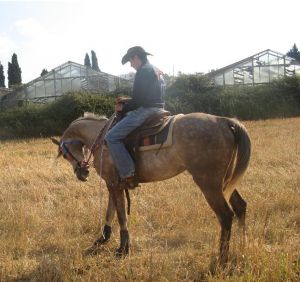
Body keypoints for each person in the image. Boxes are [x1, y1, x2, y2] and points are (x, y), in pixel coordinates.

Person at [105, 46, 166, 189]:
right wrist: (128, 101)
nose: (131, 65)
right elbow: (147, 96)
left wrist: (123, 107)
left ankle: (128, 173)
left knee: (111, 137)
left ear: (136, 57)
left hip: (147, 110)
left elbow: (139, 101)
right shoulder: (156, 70)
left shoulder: (142, 72)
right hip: (160, 108)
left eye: (130, 61)